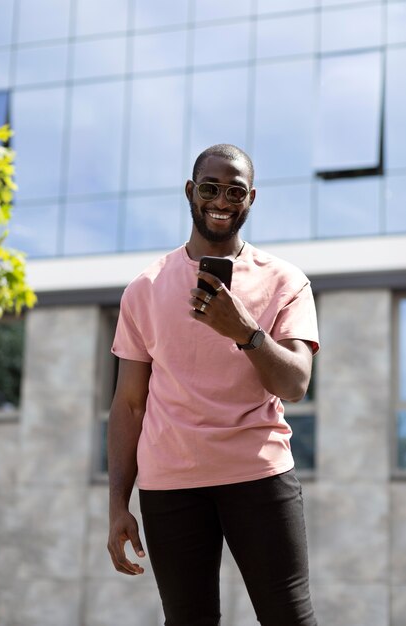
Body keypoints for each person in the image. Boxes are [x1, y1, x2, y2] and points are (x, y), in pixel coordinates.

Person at [107, 144, 319, 626]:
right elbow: (129, 405)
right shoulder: (144, 287)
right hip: (170, 484)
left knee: (290, 617)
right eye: (210, 188)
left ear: (250, 199)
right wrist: (118, 504)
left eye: (235, 191)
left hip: (259, 474)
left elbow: (295, 383)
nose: (221, 200)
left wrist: (244, 331)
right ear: (190, 191)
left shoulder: (287, 281)